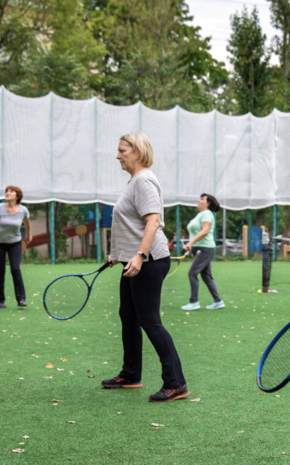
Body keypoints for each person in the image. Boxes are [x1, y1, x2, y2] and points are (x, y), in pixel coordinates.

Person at [102, 131, 189, 403]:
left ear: (137, 152)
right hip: (134, 259)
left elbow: (152, 221)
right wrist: (118, 253)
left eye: (122, 150)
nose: (117, 155)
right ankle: (131, 374)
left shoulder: (143, 181)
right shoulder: (134, 181)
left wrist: (139, 255)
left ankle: (176, 384)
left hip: (149, 260)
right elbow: (131, 223)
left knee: (149, 320)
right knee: (128, 315)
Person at [181, 194, 224, 311]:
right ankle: (218, 301)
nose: (199, 201)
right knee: (206, 276)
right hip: (200, 248)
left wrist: (190, 243)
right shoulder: (200, 214)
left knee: (192, 273)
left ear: (208, 203)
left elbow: (205, 231)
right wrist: (191, 246)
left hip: (205, 248)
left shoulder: (206, 214)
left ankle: (194, 302)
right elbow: (195, 233)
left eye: (202, 199)